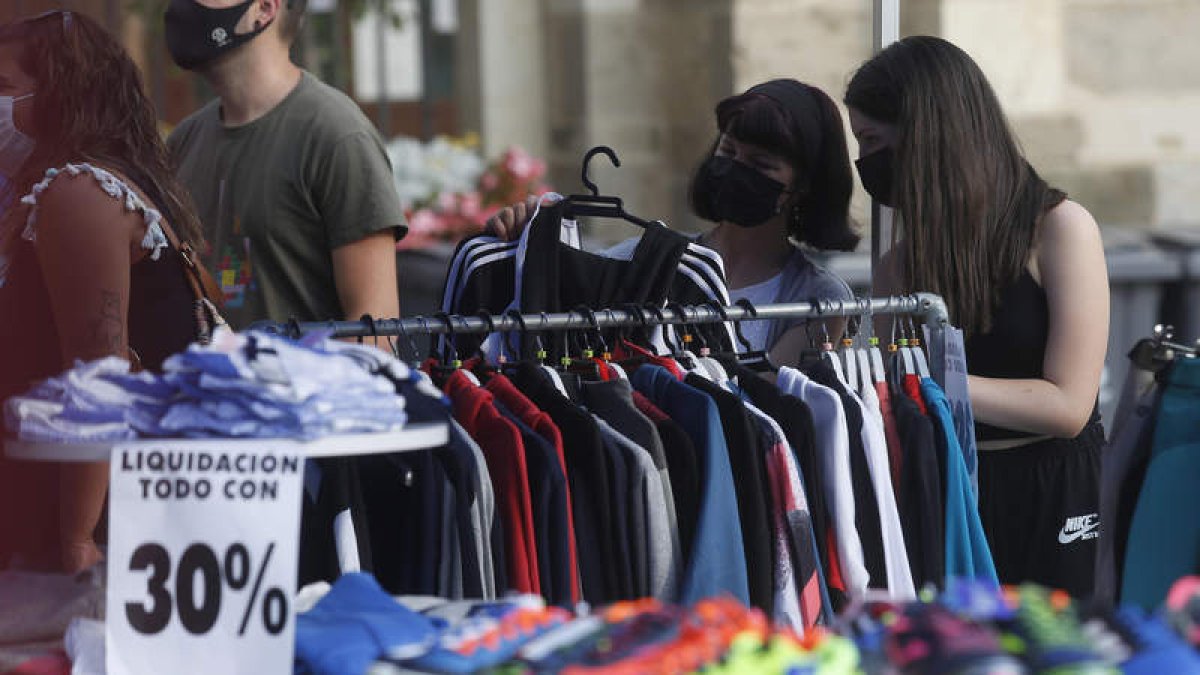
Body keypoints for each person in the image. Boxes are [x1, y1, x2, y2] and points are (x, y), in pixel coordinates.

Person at [845, 35, 1109, 597]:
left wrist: (936, 383)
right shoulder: (901, 266)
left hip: (1050, 488)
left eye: (870, 140)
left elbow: (1068, 405)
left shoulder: (1060, 230)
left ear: (925, 133)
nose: (864, 162)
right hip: (951, 485)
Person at [0, 10, 208, 572]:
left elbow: (98, 377)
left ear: (62, 96)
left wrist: (77, 541)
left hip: (100, 525)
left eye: (2, 88)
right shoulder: (62, 189)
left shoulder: (76, 192)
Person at [486, 79, 860, 367]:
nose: (735, 169)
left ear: (801, 187)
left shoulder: (818, 299)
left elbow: (756, 409)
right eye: (728, 151)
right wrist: (529, 239)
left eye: (761, 165)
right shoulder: (645, 260)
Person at [165, 0, 404, 330]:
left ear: (264, 8)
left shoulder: (337, 135)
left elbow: (376, 332)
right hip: (198, 382)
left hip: (307, 383)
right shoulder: (183, 142)